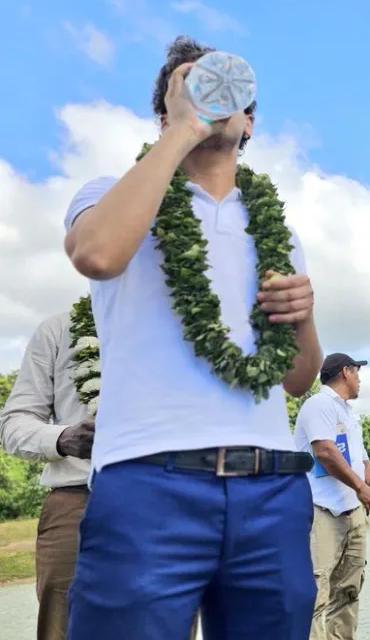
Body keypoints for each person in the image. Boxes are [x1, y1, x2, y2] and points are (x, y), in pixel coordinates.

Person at [61, 36, 323, 640]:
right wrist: (181, 133)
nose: (210, 94)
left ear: (250, 120)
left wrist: (303, 315)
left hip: (270, 490)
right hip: (149, 486)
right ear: (163, 113)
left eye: (224, 87)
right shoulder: (108, 193)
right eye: (190, 84)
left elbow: (299, 377)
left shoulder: (277, 230)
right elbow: (97, 254)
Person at [0, 309, 95, 640]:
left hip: (171, 500)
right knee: (64, 628)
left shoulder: (181, 322)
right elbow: (14, 423)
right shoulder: (60, 328)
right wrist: (62, 438)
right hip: (77, 502)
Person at [295, 353, 370, 640]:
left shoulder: (349, 413)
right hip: (321, 512)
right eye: (357, 371)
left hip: (353, 515)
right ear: (345, 372)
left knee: (348, 593)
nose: (360, 378)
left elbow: (364, 463)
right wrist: (362, 489)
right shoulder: (318, 405)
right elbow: (325, 451)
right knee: (315, 595)